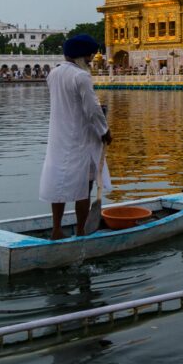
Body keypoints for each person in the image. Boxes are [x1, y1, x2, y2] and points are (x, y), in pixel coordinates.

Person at [39, 34, 112, 240]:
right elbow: (92, 109)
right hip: (80, 137)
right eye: (90, 57)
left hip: (59, 135)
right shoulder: (81, 76)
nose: (91, 60)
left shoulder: (53, 74)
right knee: (85, 185)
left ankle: (56, 229)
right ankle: (81, 231)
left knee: (58, 183)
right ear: (81, 56)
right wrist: (104, 131)